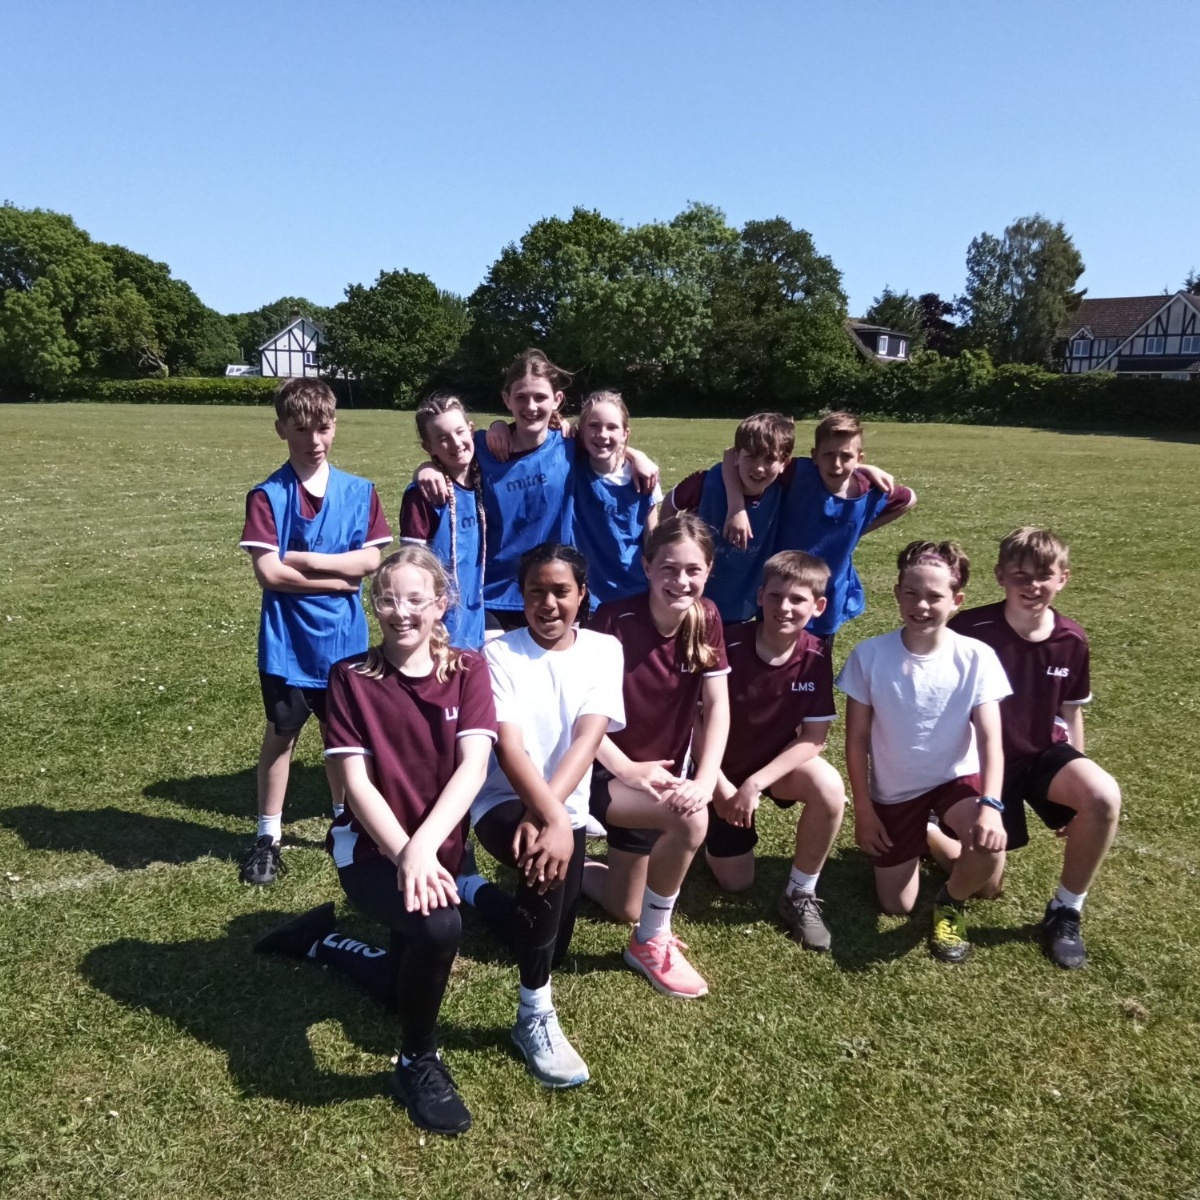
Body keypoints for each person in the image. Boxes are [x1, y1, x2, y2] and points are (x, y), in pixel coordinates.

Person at [254, 547, 497, 1136]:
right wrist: (407, 853)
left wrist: (426, 851)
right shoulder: (352, 678)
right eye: (388, 599)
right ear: (374, 604)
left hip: (436, 854)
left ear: (441, 605)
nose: (401, 612)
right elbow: (356, 785)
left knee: (402, 982)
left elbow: (473, 768)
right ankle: (417, 1060)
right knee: (441, 927)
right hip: (370, 855)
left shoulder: (468, 669)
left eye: (416, 600)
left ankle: (322, 941)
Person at [456, 543, 625, 1087]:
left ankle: (474, 890)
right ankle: (534, 1015)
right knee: (543, 868)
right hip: (504, 799)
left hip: (562, 804)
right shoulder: (499, 655)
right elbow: (510, 747)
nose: (548, 603)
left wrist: (555, 815)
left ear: (583, 596)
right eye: (536, 592)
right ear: (521, 596)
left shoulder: (604, 650)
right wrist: (546, 818)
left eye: (561, 591)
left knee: (546, 936)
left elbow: (588, 736)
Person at [238, 377, 392, 885]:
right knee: (281, 738)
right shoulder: (266, 496)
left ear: (335, 425)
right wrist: (338, 576)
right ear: (280, 428)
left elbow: (370, 561)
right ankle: (268, 836)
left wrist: (303, 559)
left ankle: (343, 822)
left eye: (323, 427)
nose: (313, 440)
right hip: (287, 647)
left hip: (344, 647)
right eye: (301, 428)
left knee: (341, 742)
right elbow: (270, 574)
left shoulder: (360, 491)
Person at [944, 527, 1121, 969]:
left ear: (1064, 578)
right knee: (988, 885)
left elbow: (1071, 713)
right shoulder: (969, 628)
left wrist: (1073, 793)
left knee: (1101, 795)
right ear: (1000, 575)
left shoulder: (1071, 639)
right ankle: (931, 831)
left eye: (1044, 574)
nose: (1032, 585)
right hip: (981, 761)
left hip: (1041, 754)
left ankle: (1066, 910)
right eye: (1020, 575)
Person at [837, 541, 1012, 963]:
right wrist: (864, 809)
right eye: (911, 593)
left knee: (987, 873)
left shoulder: (976, 657)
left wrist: (990, 806)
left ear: (956, 600)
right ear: (897, 593)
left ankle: (949, 903)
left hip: (956, 781)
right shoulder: (870, 655)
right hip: (895, 792)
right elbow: (856, 740)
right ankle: (929, 834)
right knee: (896, 905)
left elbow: (991, 739)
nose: (921, 605)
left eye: (935, 596)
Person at [584, 513, 731, 999]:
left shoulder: (706, 616)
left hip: (660, 779)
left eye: (693, 569)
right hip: (605, 775)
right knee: (690, 822)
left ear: (709, 570)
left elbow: (718, 707)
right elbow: (580, 716)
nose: (680, 580)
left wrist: (706, 779)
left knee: (624, 905)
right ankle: (651, 941)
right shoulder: (613, 620)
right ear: (647, 567)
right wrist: (625, 768)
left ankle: (572, 872)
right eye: (668, 568)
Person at [703, 552, 847, 952]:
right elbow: (695, 726)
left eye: (798, 599)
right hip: (715, 771)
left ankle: (800, 894)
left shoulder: (816, 653)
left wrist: (754, 784)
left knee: (829, 786)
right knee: (737, 882)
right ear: (761, 596)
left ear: (818, 606)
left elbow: (814, 737)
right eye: (776, 596)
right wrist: (721, 789)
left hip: (768, 771)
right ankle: (701, 830)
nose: (785, 607)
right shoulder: (727, 642)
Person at [723, 411, 916, 645]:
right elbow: (731, 455)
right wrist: (737, 507)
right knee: (770, 648)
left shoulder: (870, 489)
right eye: (828, 455)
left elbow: (909, 499)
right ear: (815, 455)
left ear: (859, 458)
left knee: (814, 658)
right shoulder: (798, 474)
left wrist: (858, 528)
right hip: (781, 586)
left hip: (828, 592)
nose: (836, 464)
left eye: (846, 456)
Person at [661, 412, 794, 623]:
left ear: (784, 462)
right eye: (751, 456)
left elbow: (832, 466)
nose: (759, 467)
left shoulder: (783, 486)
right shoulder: (704, 484)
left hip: (745, 609)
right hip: (694, 605)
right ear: (737, 457)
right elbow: (670, 503)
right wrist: (667, 546)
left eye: (769, 459)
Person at [399, 392, 486, 649]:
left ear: (471, 430)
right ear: (429, 447)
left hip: (478, 618)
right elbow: (411, 564)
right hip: (439, 625)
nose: (456, 443)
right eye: (443, 439)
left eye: (460, 432)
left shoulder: (485, 479)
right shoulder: (425, 494)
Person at [571, 389, 662, 608]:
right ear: (581, 431)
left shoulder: (643, 477)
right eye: (593, 426)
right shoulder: (571, 467)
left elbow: (652, 539)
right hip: (586, 597)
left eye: (612, 427)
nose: (602, 434)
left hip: (633, 591)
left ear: (625, 433)